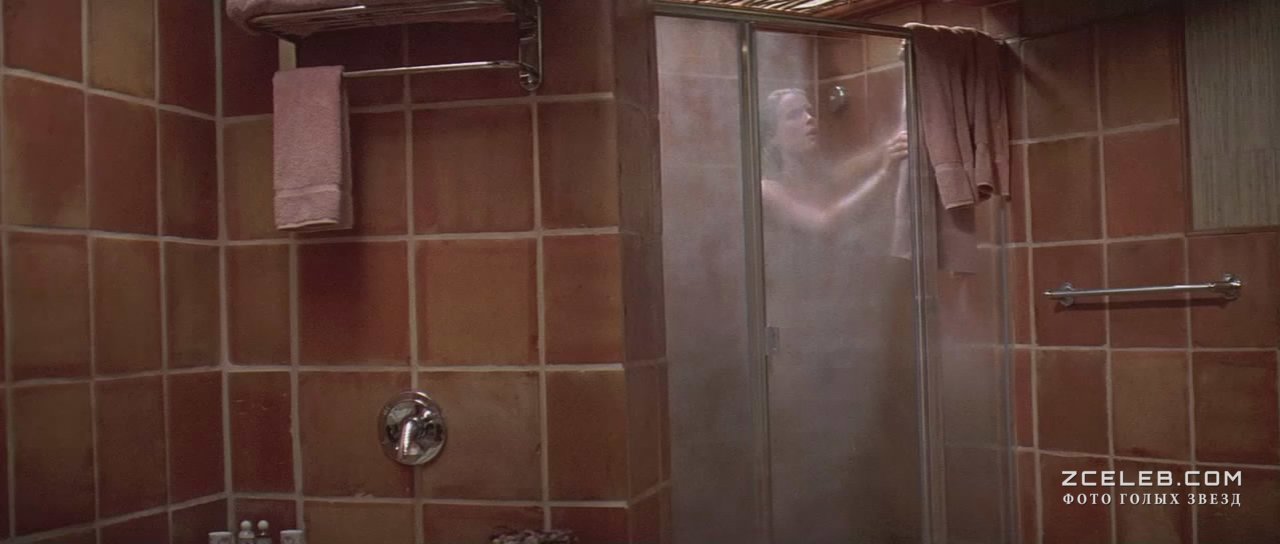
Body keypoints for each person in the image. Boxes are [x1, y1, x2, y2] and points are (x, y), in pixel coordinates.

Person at [759, 88, 909, 232]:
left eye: (809, 111)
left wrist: (892, 143)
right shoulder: (767, 191)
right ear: (773, 136)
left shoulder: (819, 178)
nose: (809, 118)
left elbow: (856, 166)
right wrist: (885, 174)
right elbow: (824, 225)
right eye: (794, 115)